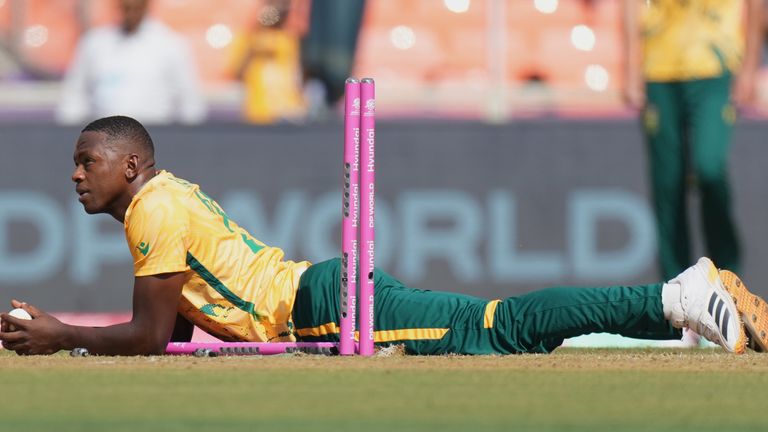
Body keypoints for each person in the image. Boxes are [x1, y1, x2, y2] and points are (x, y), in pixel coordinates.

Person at [2, 116, 768, 356]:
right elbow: (181, 333)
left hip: (323, 309)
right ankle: (683, 310)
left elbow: (146, 335)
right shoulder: (164, 197)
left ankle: (677, 295)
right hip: (319, 296)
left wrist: (61, 333)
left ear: (131, 163)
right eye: (74, 164)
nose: (75, 176)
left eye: (87, 162)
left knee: (501, 330)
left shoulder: (152, 211)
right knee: (501, 328)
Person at [622, 0, 762, 283]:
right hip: (659, 69)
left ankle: (728, 281)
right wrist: (630, 65)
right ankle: (676, 294)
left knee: (709, 168)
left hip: (715, 66)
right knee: (667, 185)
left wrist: (749, 66)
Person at [55, 0, 206, 125]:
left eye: (136, 7)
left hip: (154, 137)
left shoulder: (171, 44)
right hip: (104, 141)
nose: (131, 12)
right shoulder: (95, 43)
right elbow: (73, 97)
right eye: (126, 7)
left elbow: (190, 103)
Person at [229, 0, 307, 124]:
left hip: (287, 109)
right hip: (258, 110)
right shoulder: (248, 38)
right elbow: (236, 71)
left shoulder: (288, 38)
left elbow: (295, 73)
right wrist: (252, 50)